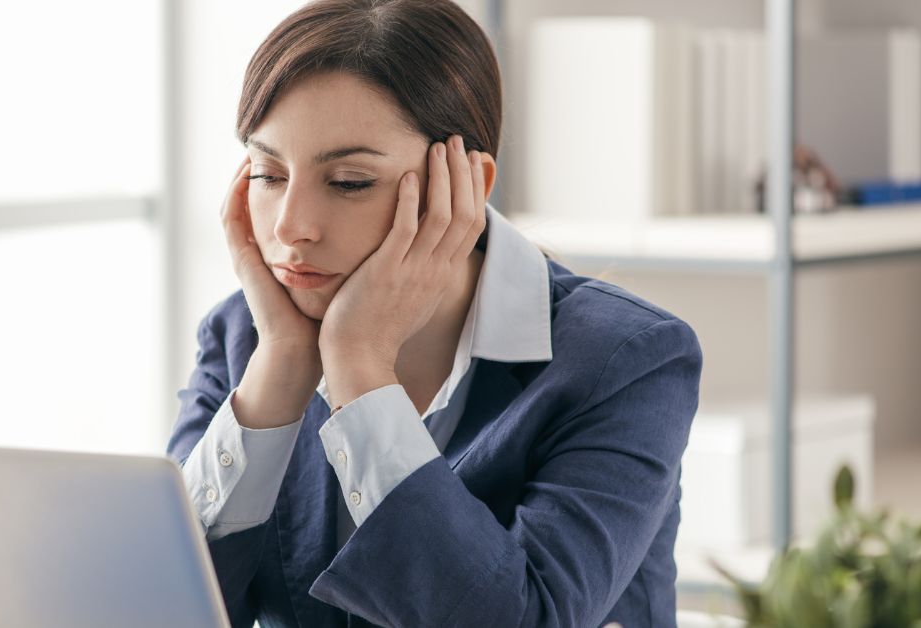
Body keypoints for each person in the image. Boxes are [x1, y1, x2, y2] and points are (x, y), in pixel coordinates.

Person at [166, 1, 703, 626]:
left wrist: (360, 369)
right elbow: (155, 610)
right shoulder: (242, 337)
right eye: (267, 173)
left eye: (347, 181)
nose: (290, 228)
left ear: (466, 186)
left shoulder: (628, 361)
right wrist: (279, 372)